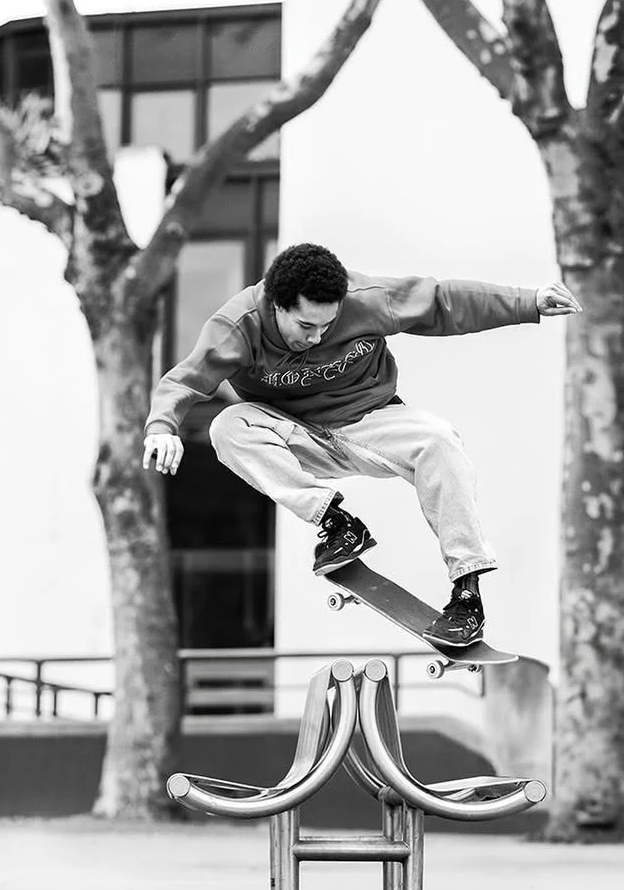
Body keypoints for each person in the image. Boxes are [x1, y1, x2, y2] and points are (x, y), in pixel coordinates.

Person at [142, 243, 580, 647]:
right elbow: (185, 380)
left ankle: (467, 594)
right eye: (305, 326)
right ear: (276, 306)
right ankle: (336, 524)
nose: (315, 337)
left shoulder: (369, 298)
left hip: (372, 423)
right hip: (296, 436)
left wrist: (528, 302)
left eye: (327, 326)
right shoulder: (237, 326)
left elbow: (444, 302)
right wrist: (161, 427)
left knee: (441, 440)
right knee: (227, 426)